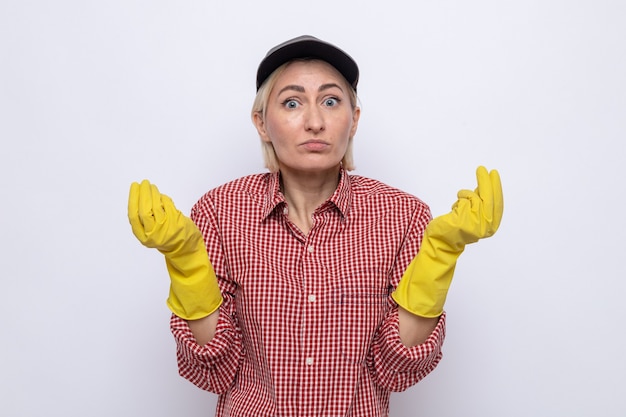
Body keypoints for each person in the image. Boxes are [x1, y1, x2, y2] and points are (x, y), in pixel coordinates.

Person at [127, 35, 503, 417]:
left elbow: (397, 369)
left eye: (331, 101)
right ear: (261, 122)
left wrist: (441, 253)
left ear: (353, 119)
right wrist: (185, 259)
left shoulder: (403, 216)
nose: (315, 122)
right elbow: (214, 372)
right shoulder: (219, 212)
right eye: (292, 102)